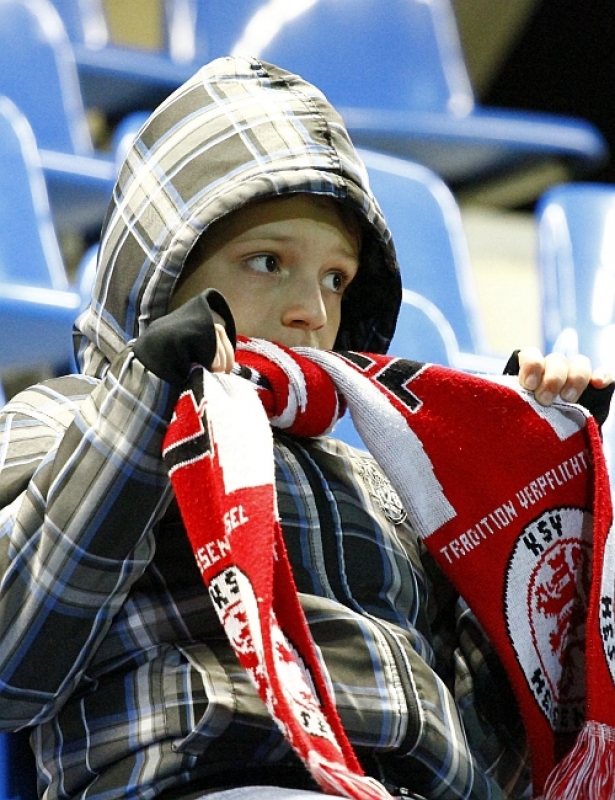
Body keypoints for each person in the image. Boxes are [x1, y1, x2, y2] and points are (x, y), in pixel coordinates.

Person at [0, 56, 611, 800]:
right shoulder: (66, 420)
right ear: (159, 277)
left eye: (335, 279)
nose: (311, 312)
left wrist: (527, 502)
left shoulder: (375, 481)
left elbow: (499, 751)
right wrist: (144, 404)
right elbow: (13, 669)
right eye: (267, 262)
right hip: (218, 777)